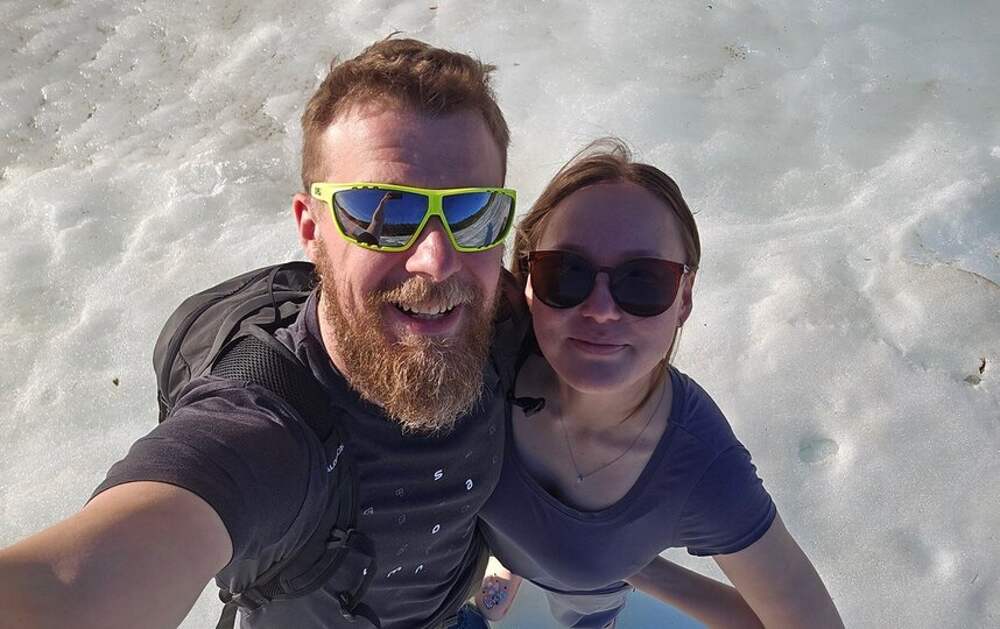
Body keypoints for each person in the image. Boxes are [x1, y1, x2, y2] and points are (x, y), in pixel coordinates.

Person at [0, 38, 523, 629]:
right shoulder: (263, 429)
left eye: (472, 213)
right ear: (311, 229)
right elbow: (81, 584)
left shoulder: (501, 327)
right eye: (383, 214)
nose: (437, 260)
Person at [474, 140, 845, 628]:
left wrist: (629, 564)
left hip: (586, 591)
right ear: (528, 281)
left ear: (684, 299)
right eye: (565, 273)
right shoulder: (487, 353)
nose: (600, 310)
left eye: (643, 281)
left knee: (582, 607)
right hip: (493, 545)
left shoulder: (698, 466)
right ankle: (512, 563)